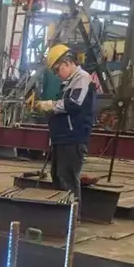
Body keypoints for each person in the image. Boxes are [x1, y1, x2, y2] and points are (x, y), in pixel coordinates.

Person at [34, 44, 95, 213]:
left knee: (68, 178)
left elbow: (74, 104)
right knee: (58, 176)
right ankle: (61, 216)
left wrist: (50, 105)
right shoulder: (70, 83)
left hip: (73, 138)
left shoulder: (82, 78)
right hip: (63, 138)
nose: (57, 75)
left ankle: (71, 218)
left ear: (67, 63)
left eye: (57, 70)